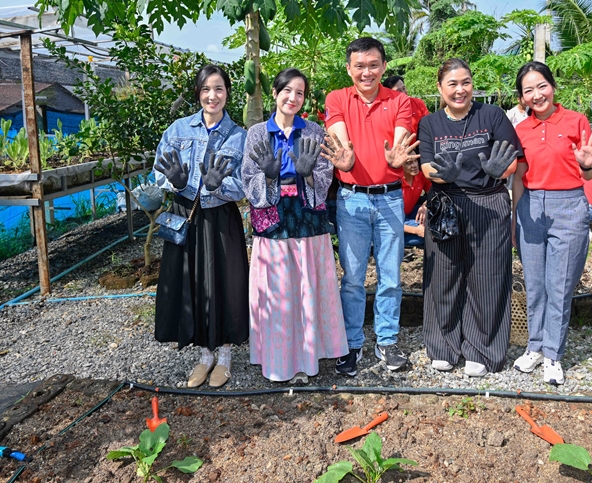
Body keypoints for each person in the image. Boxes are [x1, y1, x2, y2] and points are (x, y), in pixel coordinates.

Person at [241, 68, 347, 383]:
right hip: (273, 220)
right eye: (287, 90)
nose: (293, 98)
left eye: (299, 93)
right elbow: (248, 178)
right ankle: (277, 362)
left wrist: (309, 173)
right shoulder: (257, 133)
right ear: (275, 93)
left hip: (307, 220)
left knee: (307, 289)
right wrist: (270, 175)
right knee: (278, 293)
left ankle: (307, 359)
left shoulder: (314, 131)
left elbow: (326, 173)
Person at [322, 37, 420, 376]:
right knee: (352, 278)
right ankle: (351, 343)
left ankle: (387, 341)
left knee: (391, 276)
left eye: (373, 65)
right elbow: (338, 137)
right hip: (351, 200)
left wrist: (396, 155)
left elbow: (401, 136)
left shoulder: (400, 101)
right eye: (359, 66)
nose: (367, 72)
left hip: (390, 198)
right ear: (349, 68)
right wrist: (344, 155)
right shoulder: (337, 98)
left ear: (384, 67)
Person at [418, 58, 520, 377]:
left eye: (466, 82)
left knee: (486, 278)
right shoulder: (430, 123)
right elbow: (425, 166)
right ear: (440, 88)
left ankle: (481, 348)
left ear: (472, 84)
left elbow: (511, 160)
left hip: (488, 204)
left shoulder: (491, 115)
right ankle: (444, 346)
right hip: (447, 205)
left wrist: (498, 170)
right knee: (444, 277)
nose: (460, 90)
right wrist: (440, 174)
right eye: (452, 84)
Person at [511, 61, 592, 385]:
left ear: (552, 87)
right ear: (522, 98)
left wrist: (587, 165)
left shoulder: (575, 120)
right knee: (535, 285)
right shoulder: (521, 130)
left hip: (569, 206)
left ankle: (552, 353)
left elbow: (588, 172)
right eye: (528, 90)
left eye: (542, 86)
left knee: (560, 285)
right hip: (531, 207)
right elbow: (520, 177)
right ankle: (534, 346)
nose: (537, 95)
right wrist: (516, 216)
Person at [153, 65, 249, 388]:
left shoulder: (239, 136)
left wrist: (218, 186)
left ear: (227, 93)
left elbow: (247, 184)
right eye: (207, 89)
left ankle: (224, 356)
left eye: (219, 89)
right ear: (198, 93)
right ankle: (204, 355)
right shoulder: (178, 129)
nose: (213, 95)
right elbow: (158, 171)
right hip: (187, 218)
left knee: (225, 285)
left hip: (221, 218)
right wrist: (176, 181)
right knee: (194, 285)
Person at [402, 157, 430, 247]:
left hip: (408, 213)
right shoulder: (395, 184)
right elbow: (387, 223)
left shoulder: (419, 176)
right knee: (429, 231)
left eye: (415, 161)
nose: (414, 165)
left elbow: (433, 192)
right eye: (409, 163)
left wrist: (425, 205)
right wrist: (416, 230)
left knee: (435, 218)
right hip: (394, 222)